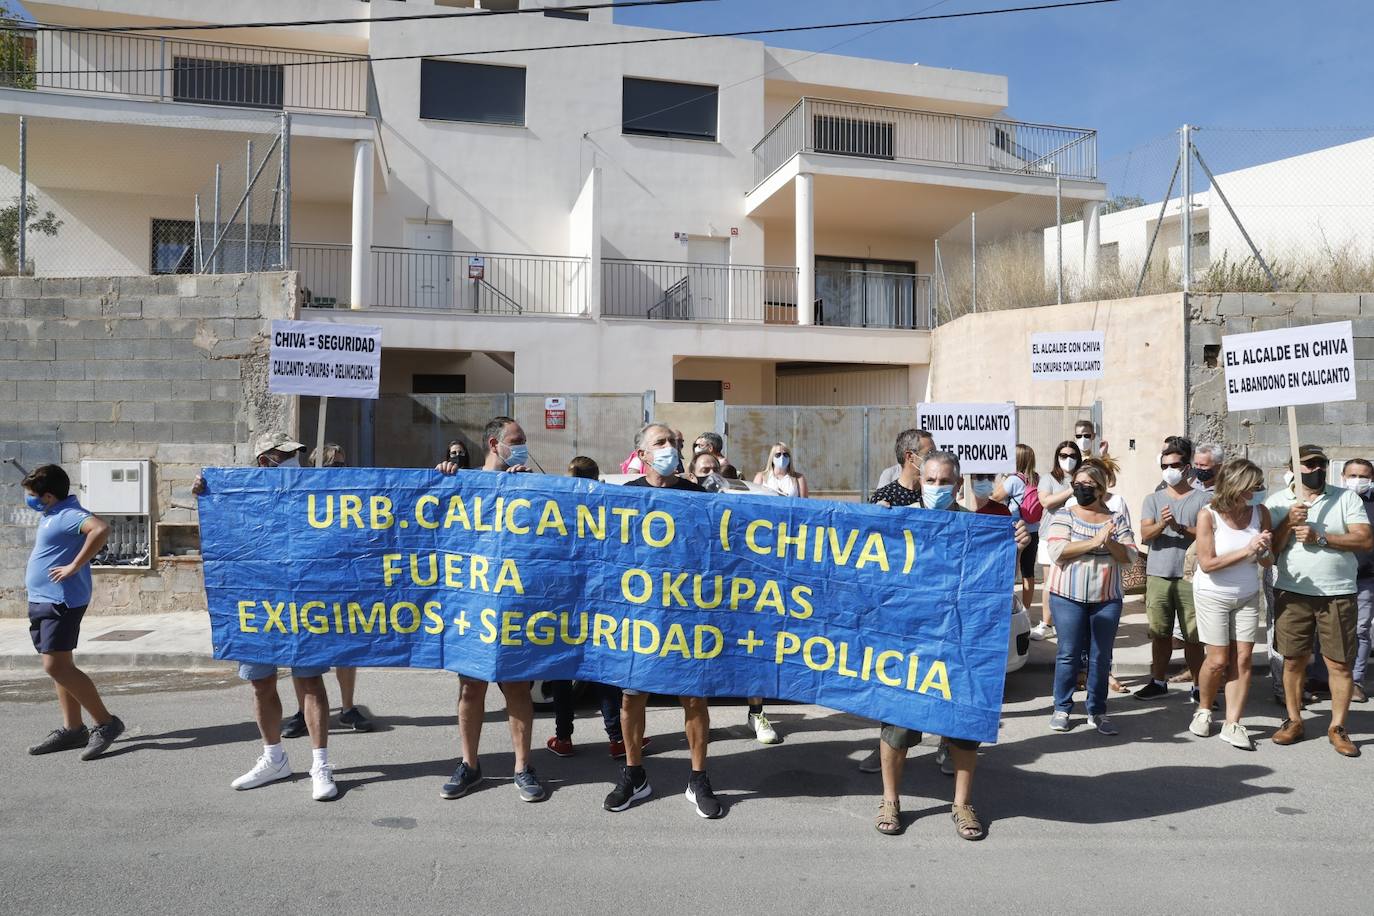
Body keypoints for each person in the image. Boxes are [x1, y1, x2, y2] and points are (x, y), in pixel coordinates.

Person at [870, 450, 1029, 841]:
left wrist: (1016, 548)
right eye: (931, 481)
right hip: (908, 642)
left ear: (958, 485)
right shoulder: (899, 522)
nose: (937, 488)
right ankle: (890, 799)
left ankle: (961, 803)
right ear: (919, 482)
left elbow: (991, 583)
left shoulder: (978, 527)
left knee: (962, 725)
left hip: (958, 642)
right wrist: (878, 523)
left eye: (945, 482)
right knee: (898, 723)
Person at [193, 432, 337, 800]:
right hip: (256, 600)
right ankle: (274, 758)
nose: (294, 462)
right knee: (261, 683)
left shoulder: (314, 490)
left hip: (305, 600)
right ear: (264, 461)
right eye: (284, 455)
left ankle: (320, 764)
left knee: (310, 683)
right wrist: (206, 496)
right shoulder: (238, 495)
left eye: (295, 455)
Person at [604, 423, 721, 818]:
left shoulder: (697, 497)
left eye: (674, 442)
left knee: (693, 696)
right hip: (639, 614)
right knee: (632, 697)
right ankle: (634, 775)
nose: (670, 448)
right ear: (642, 453)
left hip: (688, 614)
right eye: (661, 442)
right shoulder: (626, 497)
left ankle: (699, 778)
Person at [435, 416, 546, 801]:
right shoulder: (460, 479)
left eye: (525, 439)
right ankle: (470, 764)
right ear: (495, 442)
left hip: (514, 600)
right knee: (470, 688)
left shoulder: (525, 481)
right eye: (517, 439)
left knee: (516, 686)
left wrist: (527, 485)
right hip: (474, 600)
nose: (523, 445)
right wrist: (443, 475)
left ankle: (522, 767)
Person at [1266, 445, 1373, 757]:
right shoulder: (1277, 502)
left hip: (1337, 592)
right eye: (1308, 466)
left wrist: (1321, 537)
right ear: (1294, 470)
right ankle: (1293, 720)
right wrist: (1287, 521)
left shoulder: (1346, 498)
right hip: (1292, 591)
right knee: (1293, 659)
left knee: (1339, 663)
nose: (1316, 470)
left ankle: (1338, 727)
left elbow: (1365, 540)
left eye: (1320, 465)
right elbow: (1270, 551)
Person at [22, 464, 125, 761]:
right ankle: (73, 729)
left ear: (49, 496)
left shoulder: (67, 515)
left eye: (32, 495)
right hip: (44, 599)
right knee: (61, 666)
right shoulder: (53, 513)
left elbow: (101, 528)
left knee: (56, 667)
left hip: (60, 601)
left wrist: (74, 566)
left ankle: (106, 723)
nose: (29, 499)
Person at [546, 456, 644, 759]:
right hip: (601, 602)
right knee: (603, 676)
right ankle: (616, 739)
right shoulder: (608, 507)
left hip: (566, 603)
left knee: (564, 675)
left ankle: (564, 737)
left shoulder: (560, 507)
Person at [280, 443, 374, 737]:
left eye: (343, 465)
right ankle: (301, 711)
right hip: (307, 585)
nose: (339, 470)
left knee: (347, 649)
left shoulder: (353, 494)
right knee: (303, 652)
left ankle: (347, 709)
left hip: (344, 583)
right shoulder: (299, 494)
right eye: (333, 465)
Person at [1044, 460, 1138, 735]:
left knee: (1101, 656)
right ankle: (1062, 707)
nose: (1081, 489)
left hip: (1106, 598)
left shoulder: (1116, 519)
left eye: (1088, 485)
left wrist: (1109, 542)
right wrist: (1095, 542)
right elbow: (1058, 551)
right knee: (1068, 654)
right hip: (1067, 596)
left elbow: (1130, 556)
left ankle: (1097, 711)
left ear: (1100, 489)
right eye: (1077, 485)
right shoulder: (1064, 515)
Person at [1191, 458, 1272, 749]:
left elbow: (1268, 560)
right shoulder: (1208, 515)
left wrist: (1262, 551)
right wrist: (1247, 549)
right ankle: (1203, 709)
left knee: (1244, 659)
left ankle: (1233, 722)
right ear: (1238, 487)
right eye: (1256, 486)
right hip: (1212, 594)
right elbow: (1208, 564)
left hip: (1248, 595)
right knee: (1217, 661)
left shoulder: (1260, 512)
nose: (1261, 490)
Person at [1134, 439, 1208, 703]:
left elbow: (1208, 534)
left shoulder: (1204, 499)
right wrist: (1162, 525)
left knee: (1193, 636)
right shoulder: (1152, 499)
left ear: (1187, 468)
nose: (1169, 470)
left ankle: (1200, 686)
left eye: (1175, 465)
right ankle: (1158, 681)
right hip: (1158, 574)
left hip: (1192, 576)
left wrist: (1179, 528)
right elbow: (1145, 534)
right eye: (1165, 466)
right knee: (1160, 633)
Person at [1031, 440, 1084, 640]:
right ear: (1057, 457)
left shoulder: (1083, 477)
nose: (1068, 460)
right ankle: (1046, 622)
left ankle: (1066, 624)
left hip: (1077, 537)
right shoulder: (1048, 478)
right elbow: (1045, 501)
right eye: (1063, 456)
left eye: (1072, 456)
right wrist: (1071, 489)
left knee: (1071, 582)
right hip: (1049, 536)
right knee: (1049, 582)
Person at [992, 444, 1040, 612]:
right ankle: (1026, 610)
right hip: (1033, 530)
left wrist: (1004, 478)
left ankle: (1009, 609)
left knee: (1010, 570)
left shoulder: (1013, 480)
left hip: (1016, 531)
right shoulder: (1036, 478)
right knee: (1028, 572)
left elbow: (994, 498)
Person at [1343, 459, 1374, 703]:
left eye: (1362, 476)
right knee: (1327, 631)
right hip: (1336, 577)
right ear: (1343, 476)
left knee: (1361, 630)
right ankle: (1321, 677)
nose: (1357, 480)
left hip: (1366, 578)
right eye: (1352, 474)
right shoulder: (1335, 501)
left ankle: (1355, 681)